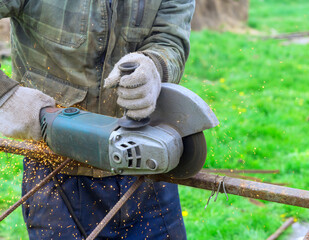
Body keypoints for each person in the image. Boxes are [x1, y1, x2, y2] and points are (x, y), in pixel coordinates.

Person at [0, 0, 195, 239]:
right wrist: (5, 94)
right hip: (57, 170)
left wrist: (154, 65)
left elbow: (169, 40)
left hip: (148, 163)